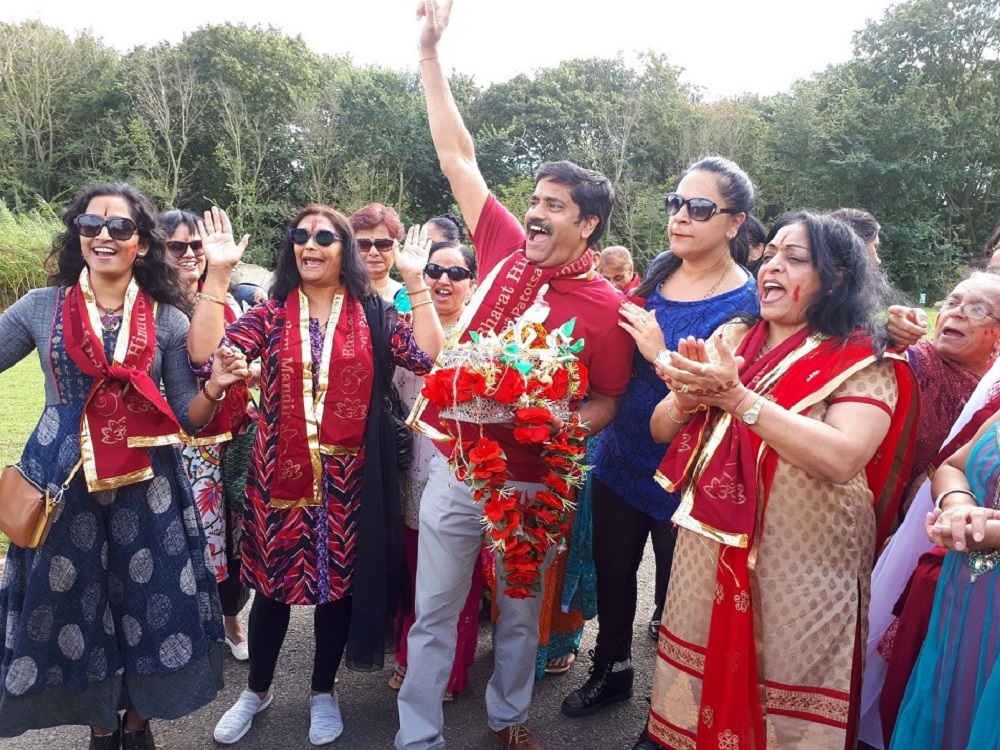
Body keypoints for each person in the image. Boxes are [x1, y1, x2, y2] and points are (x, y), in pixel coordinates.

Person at [397, 3, 634, 748]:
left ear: (586, 224)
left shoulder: (607, 309)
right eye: (532, 200)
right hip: (458, 466)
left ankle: (508, 720)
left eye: (552, 207)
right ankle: (418, 734)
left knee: (522, 609)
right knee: (434, 607)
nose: (532, 214)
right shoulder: (500, 247)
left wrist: (558, 428)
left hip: (534, 476)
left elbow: (608, 399)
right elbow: (457, 158)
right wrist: (431, 57)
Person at [633, 212, 918, 749]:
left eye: (796, 257)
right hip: (709, 545)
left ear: (835, 277)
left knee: (787, 687)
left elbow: (842, 458)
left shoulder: (864, 358)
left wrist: (738, 399)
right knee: (693, 678)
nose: (773, 266)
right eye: (771, 254)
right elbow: (660, 427)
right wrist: (692, 395)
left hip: (804, 559)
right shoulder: (734, 335)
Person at [0, 183, 248, 749]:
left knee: (148, 605)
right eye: (91, 225)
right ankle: (97, 725)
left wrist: (213, 386)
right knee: (76, 605)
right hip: (62, 486)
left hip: (148, 486)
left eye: (119, 228)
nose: (104, 236)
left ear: (141, 243)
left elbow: (189, 414)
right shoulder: (40, 306)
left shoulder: (167, 319)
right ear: (77, 236)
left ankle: (136, 727)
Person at [188, 207, 443, 746]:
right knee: (273, 590)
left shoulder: (374, 312)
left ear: (342, 248)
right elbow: (206, 354)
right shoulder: (271, 310)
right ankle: (256, 690)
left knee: (335, 591)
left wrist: (417, 280)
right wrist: (217, 272)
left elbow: (426, 356)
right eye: (300, 235)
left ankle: (322, 692)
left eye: (324, 236)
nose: (310, 243)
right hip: (276, 478)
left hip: (349, 484)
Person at [561, 156, 760, 720]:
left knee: (682, 598)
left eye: (700, 208)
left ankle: (673, 708)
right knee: (615, 573)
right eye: (676, 203)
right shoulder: (660, 266)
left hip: (689, 472)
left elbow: (713, 384)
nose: (681, 216)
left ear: (734, 222)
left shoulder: (745, 303)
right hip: (623, 454)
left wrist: (658, 350)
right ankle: (612, 670)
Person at [160, 208, 255, 661]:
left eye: (196, 245)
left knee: (236, 540)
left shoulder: (230, 300)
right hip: (181, 445)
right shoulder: (151, 308)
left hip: (233, 439)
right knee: (187, 539)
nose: (190, 254)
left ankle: (232, 621)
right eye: (177, 246)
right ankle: (187, 627)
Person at [390, 238, 482, 702]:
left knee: (455, 576)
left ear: (473, 282)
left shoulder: (483, 335)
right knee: (416, 571)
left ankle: (449, 670)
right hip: (409, 468)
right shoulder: (403, 327)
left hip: (459, 471)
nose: (444, 280)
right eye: (434, 270)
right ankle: (411, 656)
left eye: (456, 273)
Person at [887, 409, 1000, 750]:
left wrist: (988, 531)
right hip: (964, 599)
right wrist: (957, 505)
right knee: (948, 704)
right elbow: (953, 466)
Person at [350, 203, 405, 302]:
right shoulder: (335, 293)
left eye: (383, 244)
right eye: (363, 244)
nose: (373, 252)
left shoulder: (410, 296)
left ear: (396, 247)